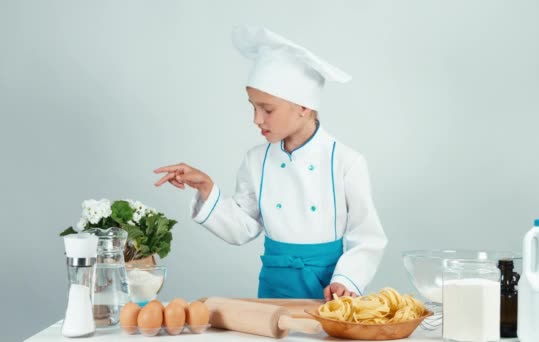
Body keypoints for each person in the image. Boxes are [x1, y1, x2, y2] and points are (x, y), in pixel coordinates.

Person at [154, 26, 387, 300]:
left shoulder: (346, 161)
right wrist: (206, 188)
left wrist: (346, 281)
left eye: (267, 109)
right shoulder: (256, 160)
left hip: (330, 291)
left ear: (303, 107)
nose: (256, 119)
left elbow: (367, 236)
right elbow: (243, 228)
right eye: (253, 107)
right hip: (273, 289)